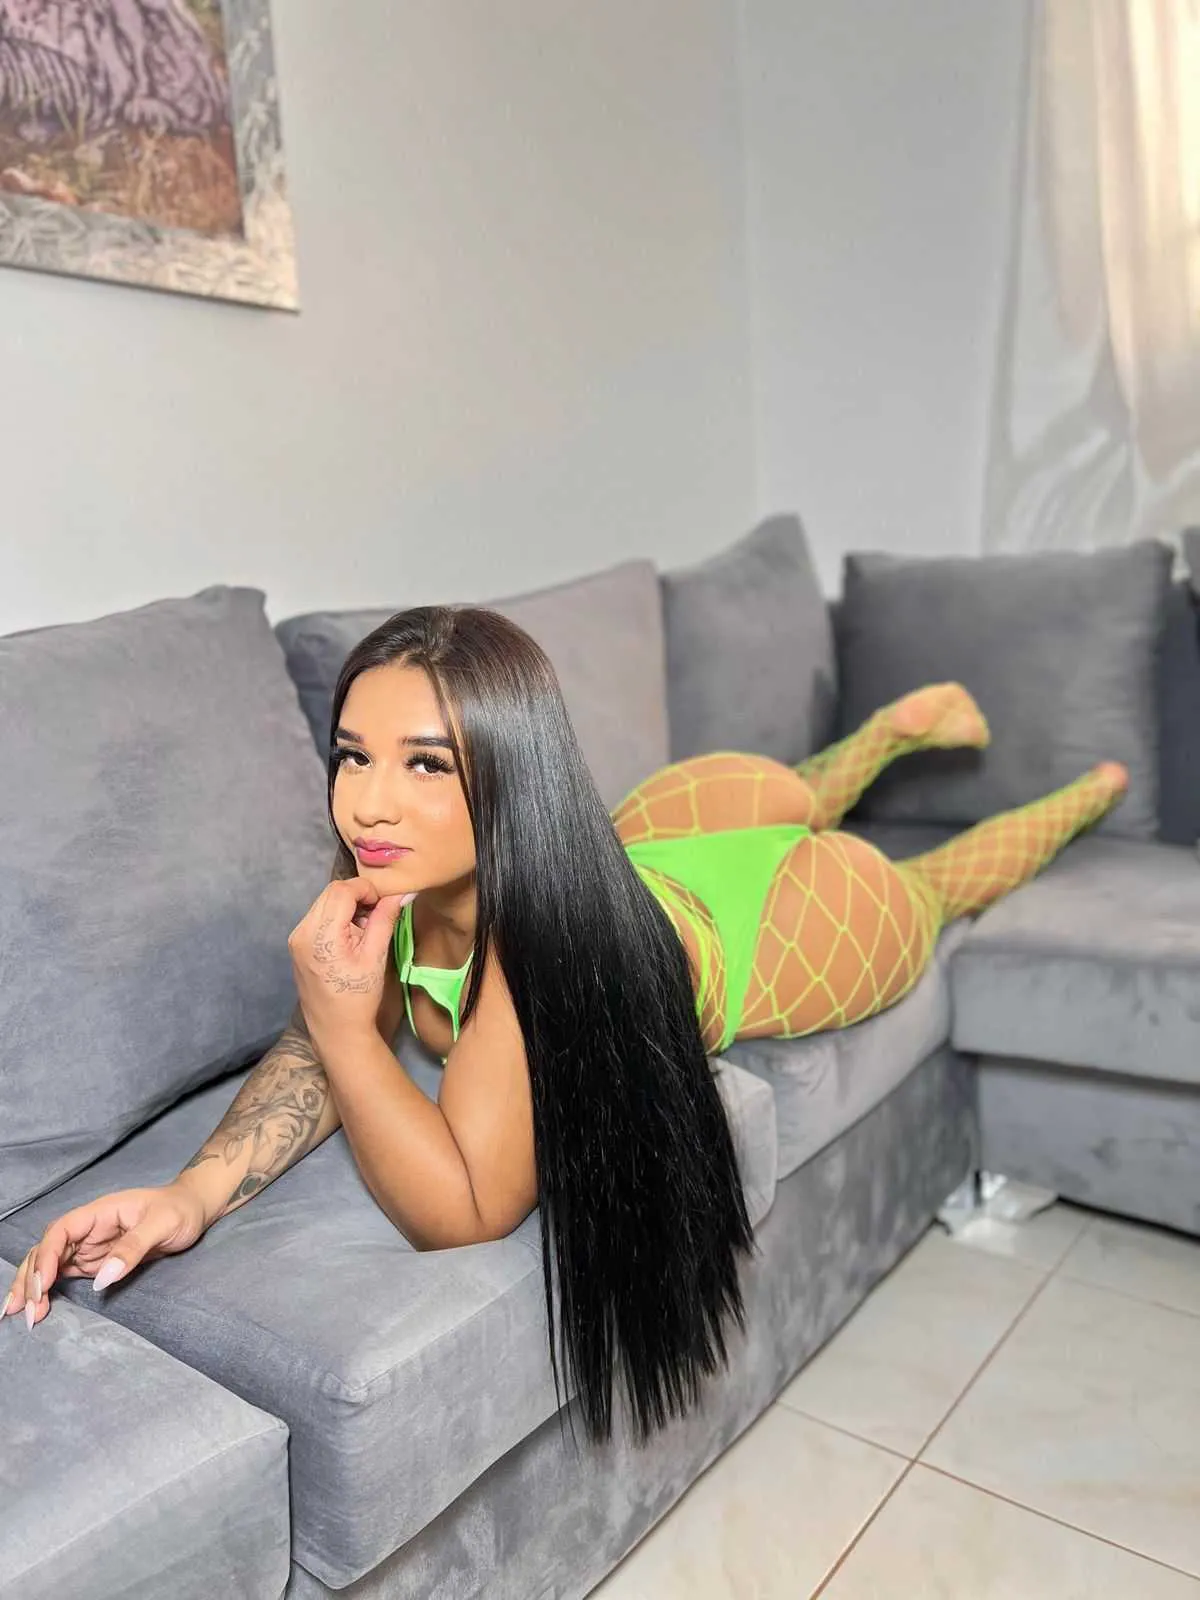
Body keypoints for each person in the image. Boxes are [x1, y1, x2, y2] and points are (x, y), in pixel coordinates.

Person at [2, 606, 1127, 1447]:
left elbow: (466, 1209)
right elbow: (317, 1042)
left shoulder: (530, 959)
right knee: (787, 789)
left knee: (934, 889)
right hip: (649, 844)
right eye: (353, 754)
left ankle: (1084, 794)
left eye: (426, 764)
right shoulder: (398, 884)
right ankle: (881, 740)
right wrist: (189, 1196)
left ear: (511, 771)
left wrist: (348, 1033)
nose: (368, 803)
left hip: (778, 926)